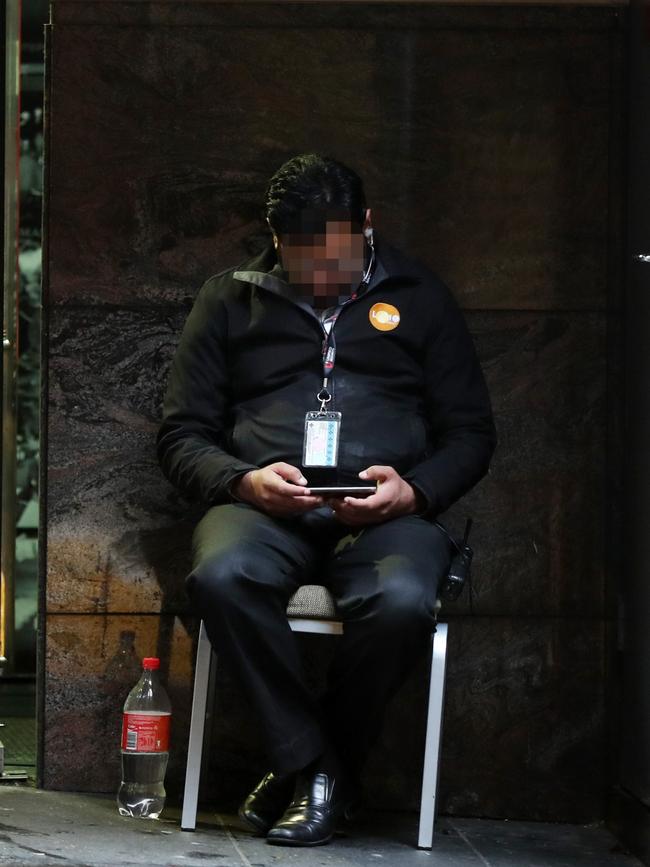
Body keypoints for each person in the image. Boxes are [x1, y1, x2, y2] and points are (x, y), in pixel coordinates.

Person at [156, 153, 497, 847]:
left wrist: (415, 490)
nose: (319, 277)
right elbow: (181, 434)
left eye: (335, 258)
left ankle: (300, 769)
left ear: (366, 225)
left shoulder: (420, 295)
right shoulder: (230, 297)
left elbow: (472, 433)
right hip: (261, 507)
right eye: (303, 258)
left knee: (402, 601)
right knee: (221, 577)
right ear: (275, 238)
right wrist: (241, 480)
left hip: (387, 515)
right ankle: (317, 767)